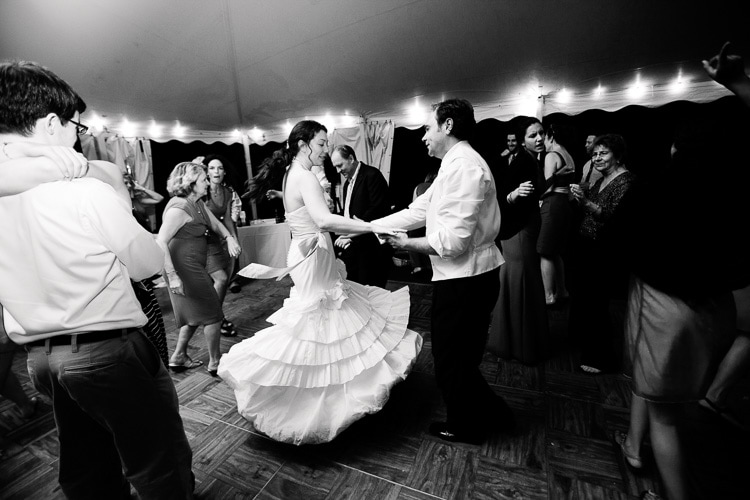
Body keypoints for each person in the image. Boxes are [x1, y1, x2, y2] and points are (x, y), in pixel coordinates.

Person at [0, 60, 194, 499]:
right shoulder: (82, 188)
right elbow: (146, 263)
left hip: (40, 359)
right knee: (157, 461)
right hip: (103, 350)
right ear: (51, 123)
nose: (78, 135)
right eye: (75, 125)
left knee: (87, 465)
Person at [217, 120, 422, 445]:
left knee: (325, 318)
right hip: (312, 252)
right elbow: (324, 220)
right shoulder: (305, 175)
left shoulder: (293, 174)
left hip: (307, 249)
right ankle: (321, 398)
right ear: (303, 144)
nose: (327, 150)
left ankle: (325, 391)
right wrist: (371, 227)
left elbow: (304, 209)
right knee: (320, 320)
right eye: (322, 143)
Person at [618, 42, 750, 500]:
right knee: (659, 394)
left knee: (666, 417)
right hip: (715, 312)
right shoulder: (735, 195)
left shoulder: (653, 192)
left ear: (675, 149)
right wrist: (739, 85)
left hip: (665, 311)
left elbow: (624, 243)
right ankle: (634, 447)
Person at [375, 98, 514, 444]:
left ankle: (465, 426)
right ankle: (496, 414)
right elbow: (419, 209)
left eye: (427, 127)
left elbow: (452, 243)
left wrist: (405, 245)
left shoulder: (464, 166)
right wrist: (366, 225)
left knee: (452, 359)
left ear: (447, 126)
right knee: (460, 359)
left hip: (467, 279)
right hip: (462, 278)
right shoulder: (454, 163)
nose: (423, 136)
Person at [159, 162, 241, 376]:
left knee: (197, 314)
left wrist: (229, 238)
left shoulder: (196, 203)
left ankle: (178, 356)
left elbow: (215, 224)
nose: (208, 182)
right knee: (213, 314)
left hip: (194, 265)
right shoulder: (179, 208)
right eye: (204, 179)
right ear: (191, 183)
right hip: (182, 269)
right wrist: (172, 275)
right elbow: (160, 242)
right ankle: (215, 362)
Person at [569, 134, 634, 374]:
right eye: (594, 154)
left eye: (603, 153)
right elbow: (589, 209)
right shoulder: (602, 180)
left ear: (617, 155)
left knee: (597, 304)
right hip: (587, 246)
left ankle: (601, 358)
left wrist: (586, 204)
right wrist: (579, 199)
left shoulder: (625, 182)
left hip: (604, 250)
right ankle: (587, 346)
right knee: (586, 301)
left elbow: (615, 220)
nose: (597, 157)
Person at [488, 116, 550, 365]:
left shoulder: (530, 160)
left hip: (526, 225)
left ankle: (519, 341)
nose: (539, 139)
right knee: (520, 278)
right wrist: (512, 197)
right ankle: (520, 345)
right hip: (519, 229)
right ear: (523, 141)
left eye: (541, 133)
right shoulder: (522, 161)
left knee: (523, 278)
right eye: (533, 135)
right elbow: (500, 192)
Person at [331, 145, 393, 288]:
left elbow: (378, 210)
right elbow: (349, 214)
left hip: (373, 248)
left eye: (340, 165)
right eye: (335, 167)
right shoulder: (347, 184)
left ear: (351, 158)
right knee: (357, 288)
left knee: (373, 290)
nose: (338, 171)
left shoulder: (372, 175)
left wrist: (351, 234)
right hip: (356, 247)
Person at [202, 155, 241, 337]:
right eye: (212, 168)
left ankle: (216, 316)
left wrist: (233, 238)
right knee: (221, 279)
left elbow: (227, 219)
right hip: (202, 241)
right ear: (206, 172)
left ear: (224, 172)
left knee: (223, 281)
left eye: (219, 168)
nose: (216, 172)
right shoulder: (202, 191)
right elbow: (207, 220)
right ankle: (215, 318)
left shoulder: (227, 192)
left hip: (218, 239)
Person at [538, 122, 574, 306]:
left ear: (550, 136)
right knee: (556, 251)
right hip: (564, 204)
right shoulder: (568, 154)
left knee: (545, 252)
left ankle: (549, 296)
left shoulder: (551, 155)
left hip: (552, 203)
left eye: (543, 137)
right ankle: (562, 290)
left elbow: (547, 186)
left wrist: (535, 198)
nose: (541, 141)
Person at [408, 170, 437, 275]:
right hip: (432, 220)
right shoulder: (438, 187)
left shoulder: (419, 187)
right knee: (429, 241)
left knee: (413, 240)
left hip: (418, 218)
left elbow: (414, 203)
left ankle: (418, 266)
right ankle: (430, 266)